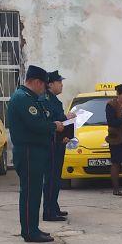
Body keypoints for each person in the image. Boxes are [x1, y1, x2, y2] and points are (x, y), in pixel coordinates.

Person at [7, 65, 58, 243]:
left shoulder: (29, 97)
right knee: (30, 193)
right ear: (36, 82)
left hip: (34, 151)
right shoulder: (23, 98)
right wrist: (54, 126)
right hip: (29, 151)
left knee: (34, 192)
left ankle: (32, 228)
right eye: (44, 85)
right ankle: (30, 231)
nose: (44, 89)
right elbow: (36, 124)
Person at [42, 70, 69, 222]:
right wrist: (66, 117)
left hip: (58, 142)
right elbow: (51, 120)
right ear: (50, 84)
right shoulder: (46, 99)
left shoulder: (54, 100)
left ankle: (54, 206)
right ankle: (49, 211)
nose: (62, 85)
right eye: (59, 82)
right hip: (51, 144)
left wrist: (65, 135)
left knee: (56, 178)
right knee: (51, 179)